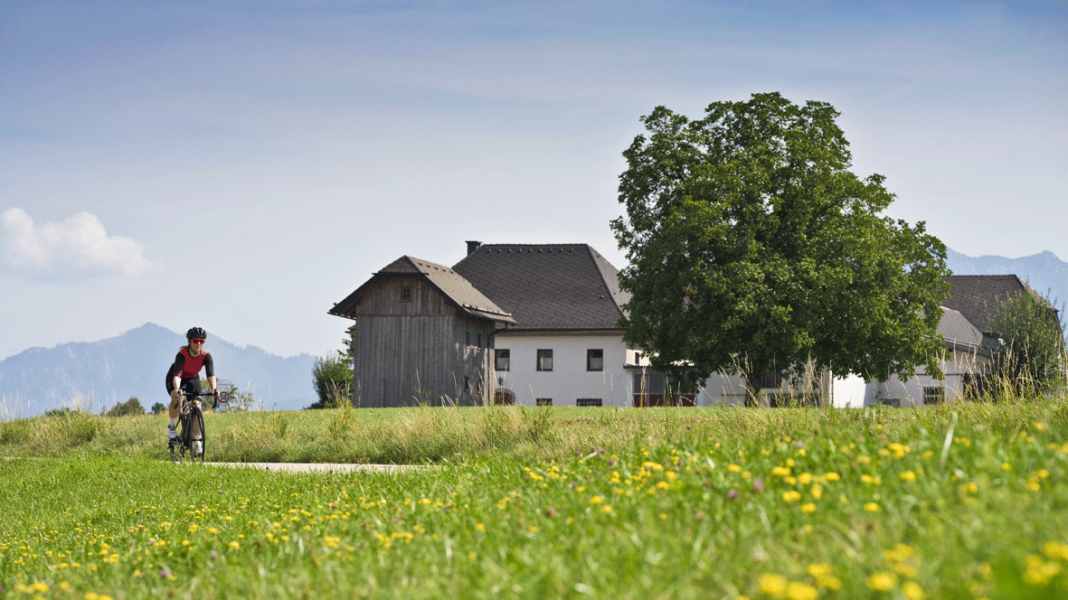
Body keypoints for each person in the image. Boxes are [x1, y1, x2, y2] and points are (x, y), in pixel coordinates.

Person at [165, 326, 220, 449]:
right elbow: (177, 375)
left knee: (196, 405)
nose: (198, 343)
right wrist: (178, 390)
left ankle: (196, 440)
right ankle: (172, 430)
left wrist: (214, 390)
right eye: (195, 341)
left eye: (202, 341)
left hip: (192, 379)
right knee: (176, 397)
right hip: (175, 377)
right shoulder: (182, 355)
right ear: (189, 342)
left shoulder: (206, 356)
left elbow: (210, 375)